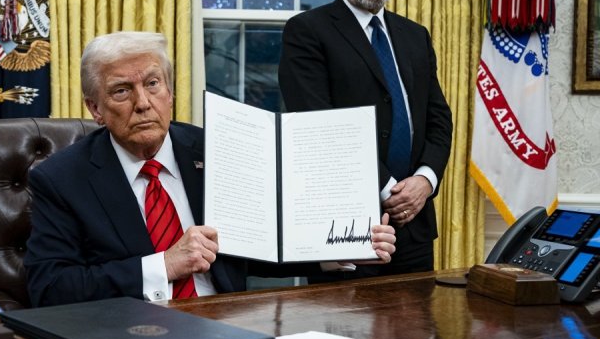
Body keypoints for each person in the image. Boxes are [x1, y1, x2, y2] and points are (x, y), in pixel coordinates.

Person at [24, 31, 397, 306]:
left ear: (170, 93)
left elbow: (256, 247)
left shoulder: (216, 149)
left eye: (153, 84)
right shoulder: (61, 179)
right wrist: (164, 265)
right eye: (122, 91)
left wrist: (340, 249)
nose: (143, 103)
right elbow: (50, 287)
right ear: (95, 108)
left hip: (230, 323)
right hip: (135, 335)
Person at [278, 0, 452, 277]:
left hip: (415, 227)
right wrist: (388, 189)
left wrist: (425, 181)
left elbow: (438, 119)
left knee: (420, 316)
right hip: (344, 232)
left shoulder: (415, 36)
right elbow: (318, 126)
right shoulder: (307, 31)